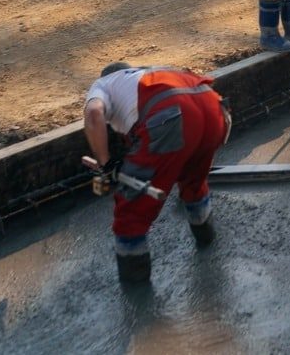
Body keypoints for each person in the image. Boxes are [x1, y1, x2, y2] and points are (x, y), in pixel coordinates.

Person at [84, 61, 231, 282]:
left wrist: (105, 164)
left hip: (171, 116)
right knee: (193, 180)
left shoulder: (103, 84)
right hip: (215, 109)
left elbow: (94, 114)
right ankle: (206, 239)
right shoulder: (151, 73)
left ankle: (136, 289)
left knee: (131, 209)